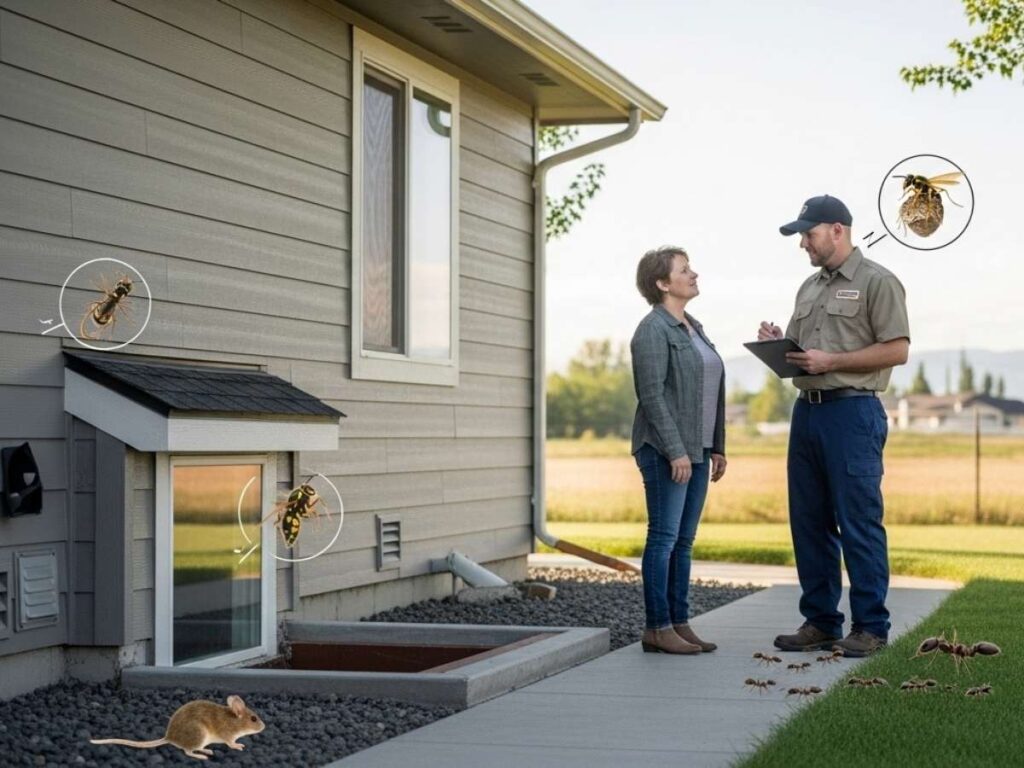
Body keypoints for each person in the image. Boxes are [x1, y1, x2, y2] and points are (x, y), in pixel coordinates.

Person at [758, 195, 910, 657]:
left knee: (858, 521)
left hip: (852, 414)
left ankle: (870, 627)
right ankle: (821, 622)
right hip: (807, 412)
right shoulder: (808, 287)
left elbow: (897, 349)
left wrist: (834, 361)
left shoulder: (878, 282)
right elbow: (806, 353)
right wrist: (780, 346)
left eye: (809, 233)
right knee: (809, 522)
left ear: (837, 230)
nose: (803, 243)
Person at [631, 245, 727, 655]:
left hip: (698, 450)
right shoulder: (652, 330)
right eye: (684, 270)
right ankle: (657, 627)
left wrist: (717, 445)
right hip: (664, 451)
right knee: (664, 538)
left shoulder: (694, 326)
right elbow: (652, 396)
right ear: (662, 283)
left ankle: (679, 622)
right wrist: (676, 452)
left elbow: (712, 388)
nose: (694, 274)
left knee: (684, 541)